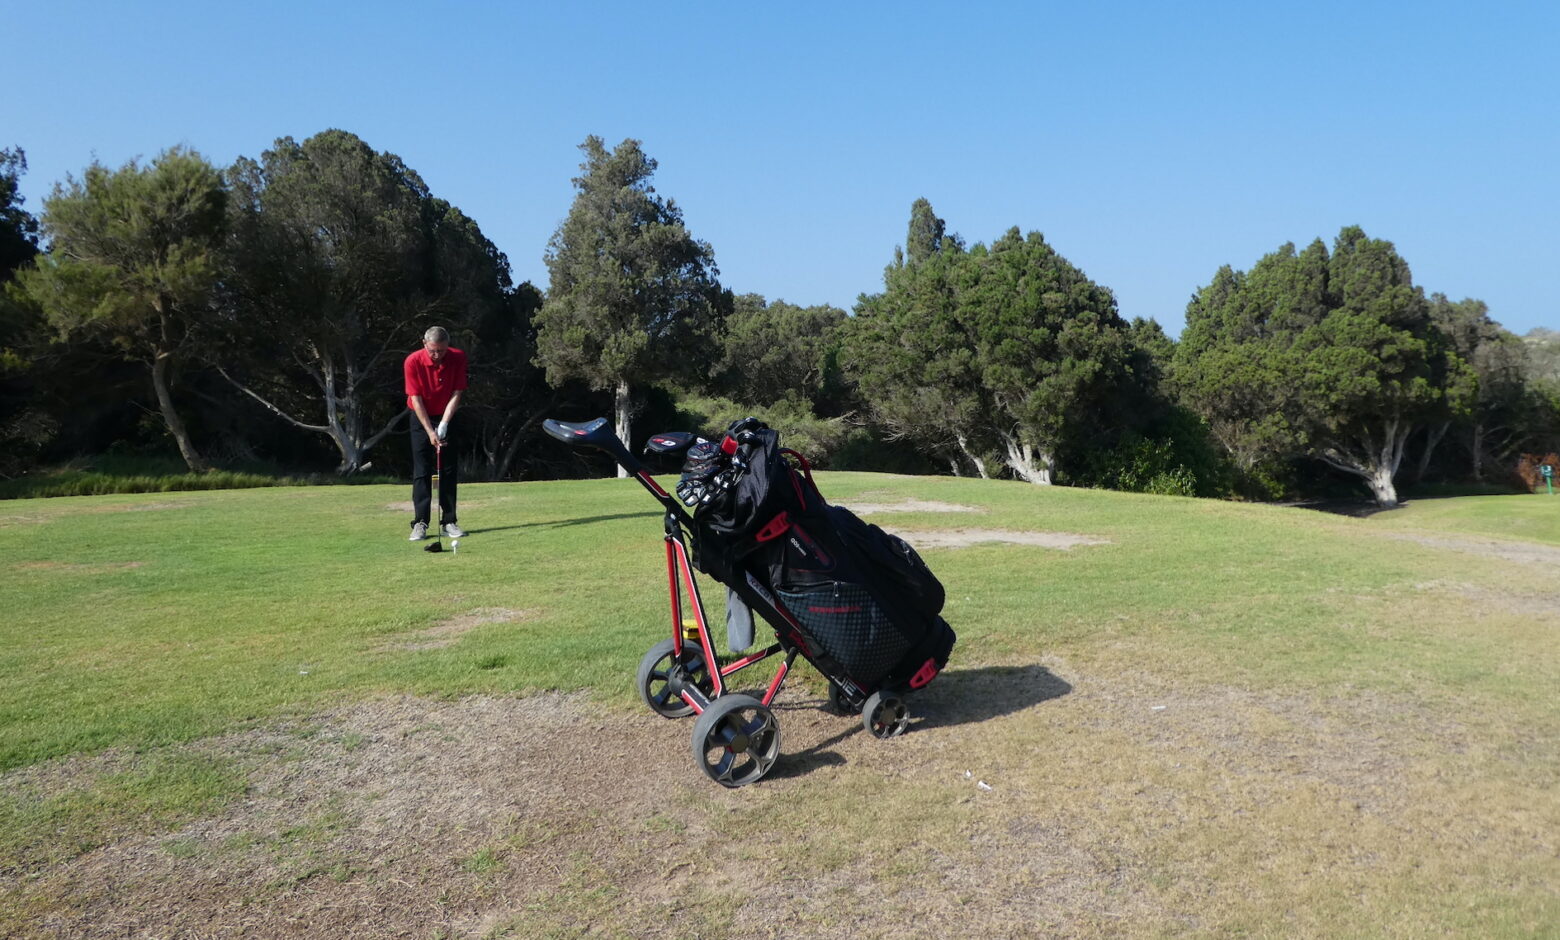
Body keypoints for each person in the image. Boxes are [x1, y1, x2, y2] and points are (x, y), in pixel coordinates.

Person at [404, 326, 467, 540]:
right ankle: (420, 523)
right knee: (422, 470)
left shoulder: (457, 358)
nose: (437, 355)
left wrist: (445, 423)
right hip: (420, 417)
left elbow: (458, 392)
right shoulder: (412, 361)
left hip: (447, 415)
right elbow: (416, 399)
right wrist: (430, 431)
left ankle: (449, 521)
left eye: (441, 350)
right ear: (424, 343)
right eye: (433, 351)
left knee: (448, 470)